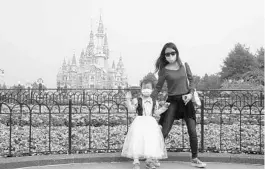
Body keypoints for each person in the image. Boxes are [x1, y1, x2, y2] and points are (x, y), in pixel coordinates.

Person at [150, 42, 206, 168]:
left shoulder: (184, 65)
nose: (170, 56)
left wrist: (191, 94)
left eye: (172, 53)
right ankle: (153, 158)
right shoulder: (164, 70)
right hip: (173, 101)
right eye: (167, 54)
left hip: (186, 101)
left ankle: (195, 158)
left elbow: (191, 81)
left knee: (192, 130)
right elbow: (158, 88)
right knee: (164, 130)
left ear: (177, 53)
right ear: (164, 56)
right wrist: (148, 100)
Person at [121, 79, 169, 169]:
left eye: (148, 87)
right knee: (137, 140)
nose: (146, 89)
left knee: (150, 140)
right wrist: (128, 100)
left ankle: (149, 161)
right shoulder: (137, 100)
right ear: (141, 88)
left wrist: (164, 108)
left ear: (152, 89)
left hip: (150, 122)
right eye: (144, 87)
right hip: (139, 122)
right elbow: (131, 109)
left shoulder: (154, 101)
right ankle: (136, 162)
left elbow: (156, 113)